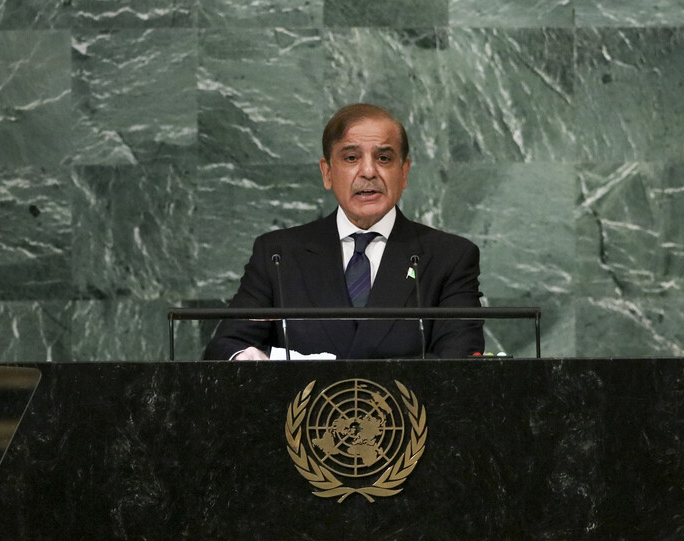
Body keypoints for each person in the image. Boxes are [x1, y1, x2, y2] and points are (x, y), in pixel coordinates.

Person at [204, 103, 484, 360]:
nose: (368, 171)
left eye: (384, 158)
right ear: (327, 172)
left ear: (404, 172)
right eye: (351, 158)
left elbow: (458, 362)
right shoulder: (278, 254)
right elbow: (227, 346)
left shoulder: (450, 257)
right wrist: (246, 358)